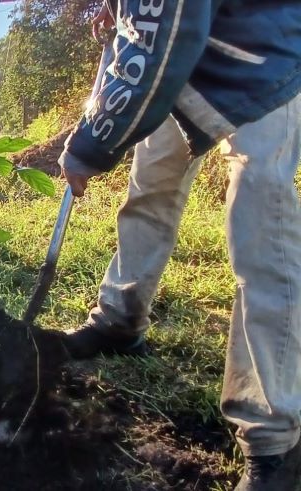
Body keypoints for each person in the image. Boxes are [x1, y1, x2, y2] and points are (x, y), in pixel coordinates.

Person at [58, 1, 301, 490]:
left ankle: (276, 436)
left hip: (267, 54)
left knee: (260, 221)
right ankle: (119, 321)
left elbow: (165, 29)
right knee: (151, 183)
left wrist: (90, 145)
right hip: (191, 56)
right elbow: (143, 29)